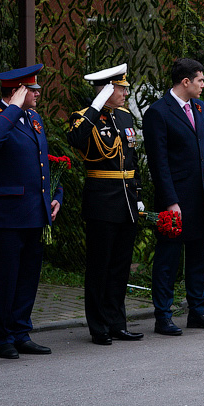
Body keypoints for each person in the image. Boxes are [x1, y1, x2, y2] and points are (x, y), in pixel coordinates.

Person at [0, 64, 63, 359]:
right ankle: (3, 338)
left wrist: (56, 197)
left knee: (28, 277)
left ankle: (21, 332)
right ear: (17, 92)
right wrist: (11, 109)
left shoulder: (33, 118)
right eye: (33, 90)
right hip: (8, 216)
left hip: (35, 213)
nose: (39, 94)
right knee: (6, 279)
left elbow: (43, 165)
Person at [143, 58, 204, 335]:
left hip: (201, 197)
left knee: (199, 258)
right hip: (175, 200)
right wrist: (170, 201)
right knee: (168, 259)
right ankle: (163, 315)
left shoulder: (200, 108)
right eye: (200, 80)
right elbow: (159, 162)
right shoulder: (159, 112)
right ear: (186, 82)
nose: (203, 85)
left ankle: (198, 311)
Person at [67, 63, 144, 345]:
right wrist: (96, 105)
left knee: (120, 266)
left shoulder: (125, 118)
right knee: (100, 265)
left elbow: (132, 160)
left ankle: (116, 322)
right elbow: (75, 139)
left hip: (126, 199)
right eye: (120, 88)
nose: (125, 92)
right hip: (102, 200)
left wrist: (138, 193)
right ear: (107, 90)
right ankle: (98, 325)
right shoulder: (83, 118)